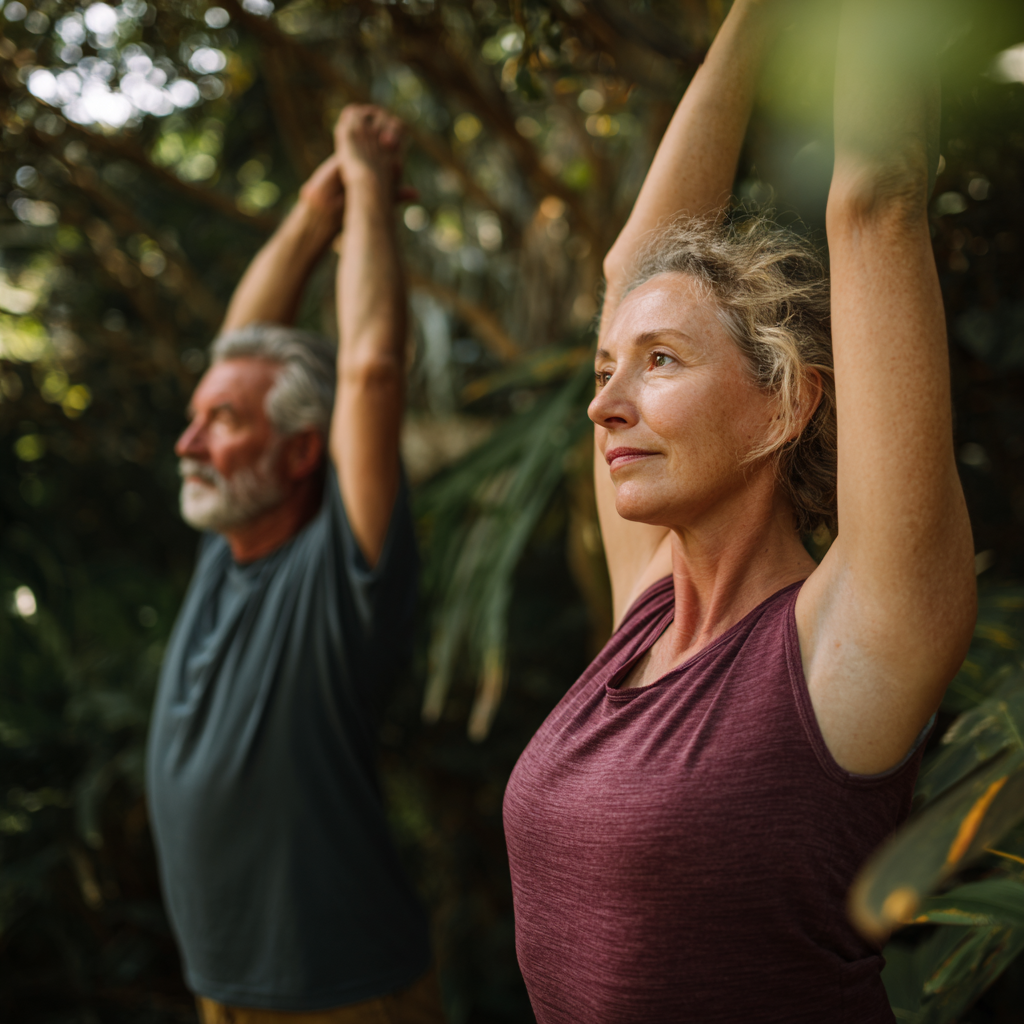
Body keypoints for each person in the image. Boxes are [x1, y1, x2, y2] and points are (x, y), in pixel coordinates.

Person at [502, 1, 977, 1021]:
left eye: (659, 362)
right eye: (603, 368)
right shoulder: (649, 601)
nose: (602, 402)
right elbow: (631, 270)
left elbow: (876, 200)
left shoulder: (851, 642)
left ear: (785, 403)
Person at [146, 106, 445, 1023]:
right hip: (224, 993)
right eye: (198, 418)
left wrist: (365, 189)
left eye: (224, 425)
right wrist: (316, 212)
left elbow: (369, 372)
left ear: (302, 453)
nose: (189, 443)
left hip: (342, 998)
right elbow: (242, 347)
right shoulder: (226, 546)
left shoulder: (339, 575)